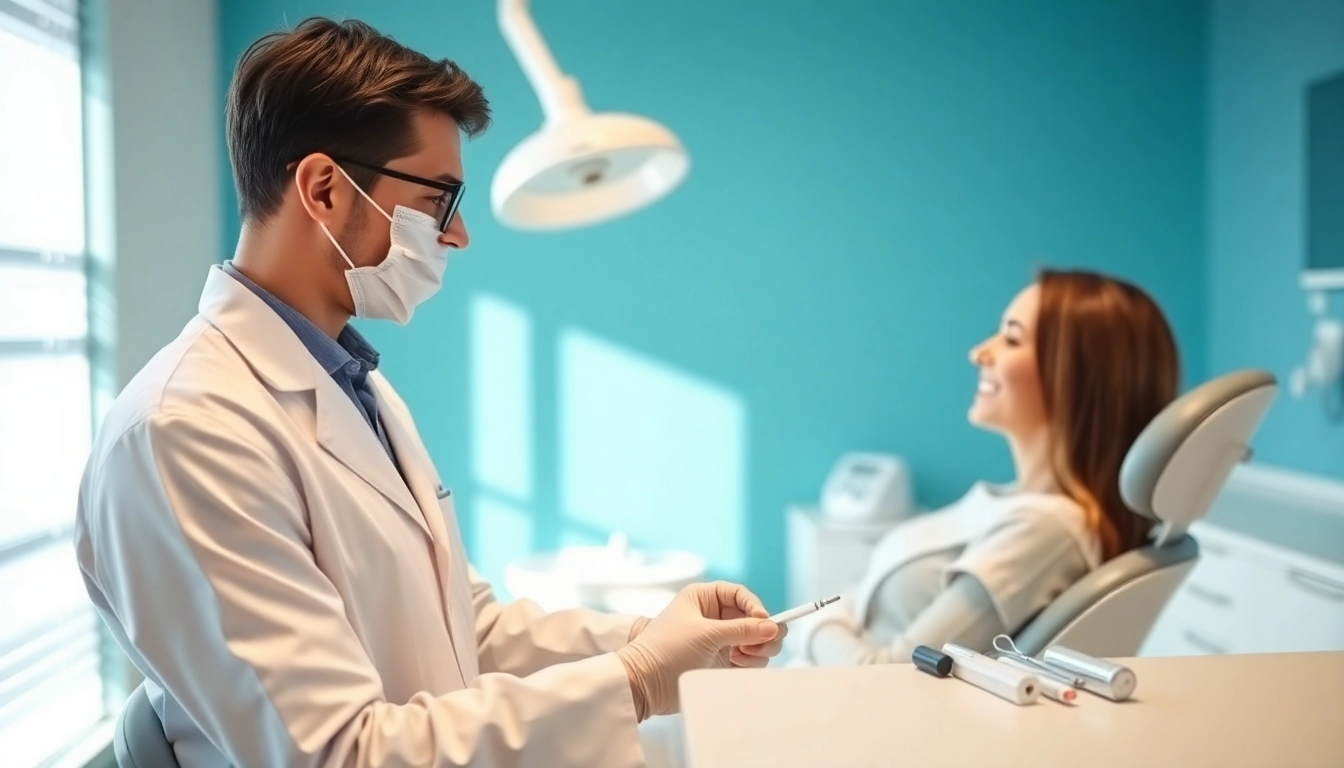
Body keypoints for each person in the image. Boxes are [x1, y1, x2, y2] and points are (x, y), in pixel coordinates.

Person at [73, 18, 783, 767]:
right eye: (441, 200)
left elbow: (460, 630)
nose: (459, 234)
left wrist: (649, 638)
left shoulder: (350, 382)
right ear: (322, 189)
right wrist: (633, 680)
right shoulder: (185, 430)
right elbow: (341, 753)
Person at [786, 269, 1180, 666]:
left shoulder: (1046, 531)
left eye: (1012, 339)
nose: (978, 353)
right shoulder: (1016, 503)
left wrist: (815, 623)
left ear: (1076, 375)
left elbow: (894, 676)